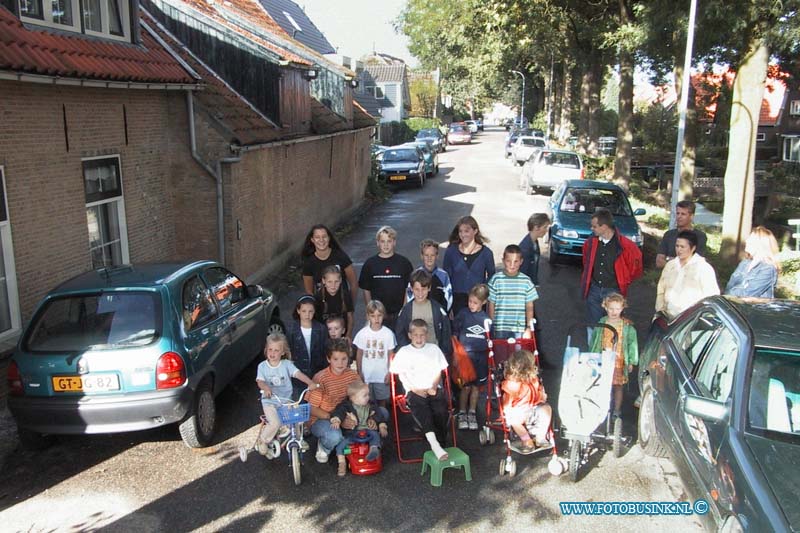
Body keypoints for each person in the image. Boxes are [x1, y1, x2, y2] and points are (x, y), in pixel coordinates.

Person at [390, 319, 451, 461]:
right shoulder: (404, 352)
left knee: (441, 410)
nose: (419, 338)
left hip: (432, 387)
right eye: (415, 335)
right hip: (414, 389)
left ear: (427, 335)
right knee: (422, 409)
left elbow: (439, 371)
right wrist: (414, 388)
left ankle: (441, 441)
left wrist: (434, 386)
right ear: (410, 335)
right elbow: (401, 374)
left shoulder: (433, 349)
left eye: (422, 335)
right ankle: (435, 445)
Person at [255, 333, 320, 457]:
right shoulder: (262, 366)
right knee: (275, 422)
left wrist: (310, 382)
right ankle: (263, 440)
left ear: (283, 352)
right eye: (270, 349)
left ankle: (299, 439)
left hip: (285, 400)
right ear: (266, 350)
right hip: (270, 401)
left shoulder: (286, 365)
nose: (272, 353)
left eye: (276, 350)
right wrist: (266, 387)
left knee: (297, 418)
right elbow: (260, 381)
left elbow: (298, 374)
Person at [581, 208, 643, 332]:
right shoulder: (590, 243)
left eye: (594, 226)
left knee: (612, 327)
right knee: (593, 325)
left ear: (604, 227)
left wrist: (624, 280)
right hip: (594, 290)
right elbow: (586, 263)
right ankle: (593, 349)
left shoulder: (626, 246)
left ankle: (609, 351)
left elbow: (635, 269)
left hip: (614, 291)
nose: (591, 229)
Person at [307, 338, 362, 465]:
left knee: (381, 414)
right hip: (322, 419)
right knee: (334, 436)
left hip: (345, 413)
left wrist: (364, 416)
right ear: (328, 359)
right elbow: (312, 408)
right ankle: (324, 446)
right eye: (335, 359)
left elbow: (361, 398)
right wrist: (339, 419)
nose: (340, 363)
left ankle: (344, 440)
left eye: (344, 359)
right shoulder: (321, 378)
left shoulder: (353, 375)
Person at [589, 293, 638, 420]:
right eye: (611, 308)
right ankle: (602, 407)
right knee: (601, 384)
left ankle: (616, 409)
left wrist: (631, 361)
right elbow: (594, 340)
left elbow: (632, 344)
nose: (614, 312)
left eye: (617, 309)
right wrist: (592, 354)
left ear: (622, 308)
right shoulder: (602, 323)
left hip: (619, 361)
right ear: (605, 307)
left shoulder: (627, 326)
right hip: (603, 358)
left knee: (618, 386)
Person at [656, 230, 720, 320]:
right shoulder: (670, 265)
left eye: (682, 247)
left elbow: (711, 296)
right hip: (667, 316)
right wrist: (660, 311)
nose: (679, 250)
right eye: (677, 246)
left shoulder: (703, 268)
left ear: (693, 248)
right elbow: (661, 290)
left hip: (690, 319)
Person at [358, 226, 414, 329]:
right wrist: (371, 310)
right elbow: (366, 290)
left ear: (394, 242)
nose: (386, 245)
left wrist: (404, 310)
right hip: (378, 316)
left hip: (398, 315)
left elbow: (409, 288)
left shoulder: (404, 263)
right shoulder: (370, 264)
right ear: (377, 243)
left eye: (389, 241)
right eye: (382, 241)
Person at [329, 381, 389, 477]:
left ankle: (374, 449)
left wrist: (381, 425)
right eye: (364, 396)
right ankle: (341, 463)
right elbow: (339, 412)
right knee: (341, 446)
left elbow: (378, 414)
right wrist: (336, 420)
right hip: (353, 432)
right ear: (353, 398)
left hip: (367, 429)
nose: (368, 397)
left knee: (375, 435)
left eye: (368, 394)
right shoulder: (346, 406)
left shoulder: (370, 405)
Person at [453, 283, 490, 431]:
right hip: (465, 357)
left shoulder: (486, 319)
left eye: (475, 302)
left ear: (484, 302)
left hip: (481, 357)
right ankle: (462, 412)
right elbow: (455, 333)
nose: (471, 305)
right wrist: (456, 353)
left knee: (476, 387)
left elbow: (489, 338)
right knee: (465, 386)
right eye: (470, 301)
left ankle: (472, 412)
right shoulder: (463, 314)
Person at [501, 349, 552, 453]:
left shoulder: (533, 380)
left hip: (532, 408)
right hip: (521, 410)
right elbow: (508, 402)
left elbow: (539, 394)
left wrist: (542, 396)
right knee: (514, 420)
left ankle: (540, 437)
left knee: (546, 408)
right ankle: (527, 440)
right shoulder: (512, 384)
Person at [443, 216, 496, 316]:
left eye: (466, 231)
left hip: (478, 301)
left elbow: (492, 276)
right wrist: (448, 304)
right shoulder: (451, 251)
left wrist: (482, 293)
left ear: (475, 231)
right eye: (460, 231)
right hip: (457, 300)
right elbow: (446, 277)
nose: (463, 234)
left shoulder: (486, 253)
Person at [395, 270, 452, 359]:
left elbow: (446, 333)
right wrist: (407, 351)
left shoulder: (438, 309)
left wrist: (444, 353)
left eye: (423, 289)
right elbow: (400, 333)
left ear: (429, 288)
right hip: (413, 356)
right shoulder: (406, 310)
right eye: (417, 289)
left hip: (433, 355)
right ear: (412, 289)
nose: (420, 293)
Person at [488, 244, 538, 339]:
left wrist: (528, 327)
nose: (512, 265)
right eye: (508, 261)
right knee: (500, 353)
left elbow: (529, 306)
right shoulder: (496, 279)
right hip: (500, 327)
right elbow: (491, 303)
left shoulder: (526, 281)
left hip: (518, 328)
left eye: (516, 261)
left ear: (521, 262)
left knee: (517, 353)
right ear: (503, 261)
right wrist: (491, 324)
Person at [353, 300, 396, 410]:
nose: (376, 319)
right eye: (373, 316)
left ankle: (383, 422)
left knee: (382, 400)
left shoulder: (388, 334)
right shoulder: (362, 334)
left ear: (383, 316)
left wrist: (389, 372)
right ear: (368, 316)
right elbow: (359, 354)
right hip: (367, 374)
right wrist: (359, 372)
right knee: (367, 400)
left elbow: (391, 354)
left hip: (382, 375)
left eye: (379, 315)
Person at [301, 224, 358, 304]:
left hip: (342, 306)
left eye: (324, 236)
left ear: (329, 238)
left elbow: (353, 283)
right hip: (322, 309)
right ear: (312, 240)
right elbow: (309, 291)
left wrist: (351, 306)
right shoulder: (309, 262)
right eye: (317, 237)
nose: (321, 240)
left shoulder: (340, 256)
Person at [286, 295, 329, 396]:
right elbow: (288, 351)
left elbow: (325, 351)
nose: (307, 314)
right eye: (304, 311)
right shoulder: (291, 330)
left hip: (317, 371)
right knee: (300, 400)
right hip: (298, 373)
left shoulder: (321, 329)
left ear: (315, 312)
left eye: (311, 311)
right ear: (298, 311)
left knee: (317, 399)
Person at [725, 226, 780, 298]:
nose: (747, 241)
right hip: (734, 304)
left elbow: (749, 294)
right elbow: (730, 286)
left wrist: (729, 294)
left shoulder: (768, 269)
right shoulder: (744, 263)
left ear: (761, 244)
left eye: (751, 240)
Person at [405, 239, 453, 313]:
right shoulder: (415, 274)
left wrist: (444, 312)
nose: (429, 258)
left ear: (437, 256)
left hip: (438, 315)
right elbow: (409, 296)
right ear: (422, 256)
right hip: (419, 314)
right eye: (426, 255)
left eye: (432, 255)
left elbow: (448, 298)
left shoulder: (444, 276)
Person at [656, 200, 708, 268]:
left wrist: (669, 259)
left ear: (691, 216)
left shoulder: (700, 236)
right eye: (678, 213)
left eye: (683, 214)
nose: (679, 216)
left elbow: (696, 263)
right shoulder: (669, 235)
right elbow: (659, 261)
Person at [314, 265, 354, 336]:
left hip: (341, 335)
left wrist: (348, 335)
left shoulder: (345, 295)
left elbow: (350, 316)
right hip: (323, 335)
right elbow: (315, 319)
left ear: (340, 280)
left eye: (336, 281)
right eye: (329, 282)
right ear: (323, 281)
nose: (333, 285)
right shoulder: (318, 297)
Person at [519, 213, 551, 286]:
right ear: (536, 227)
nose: (546, 231)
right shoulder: (525, 249)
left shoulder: (534, 242)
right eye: (545, 227)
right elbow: (522, 273)